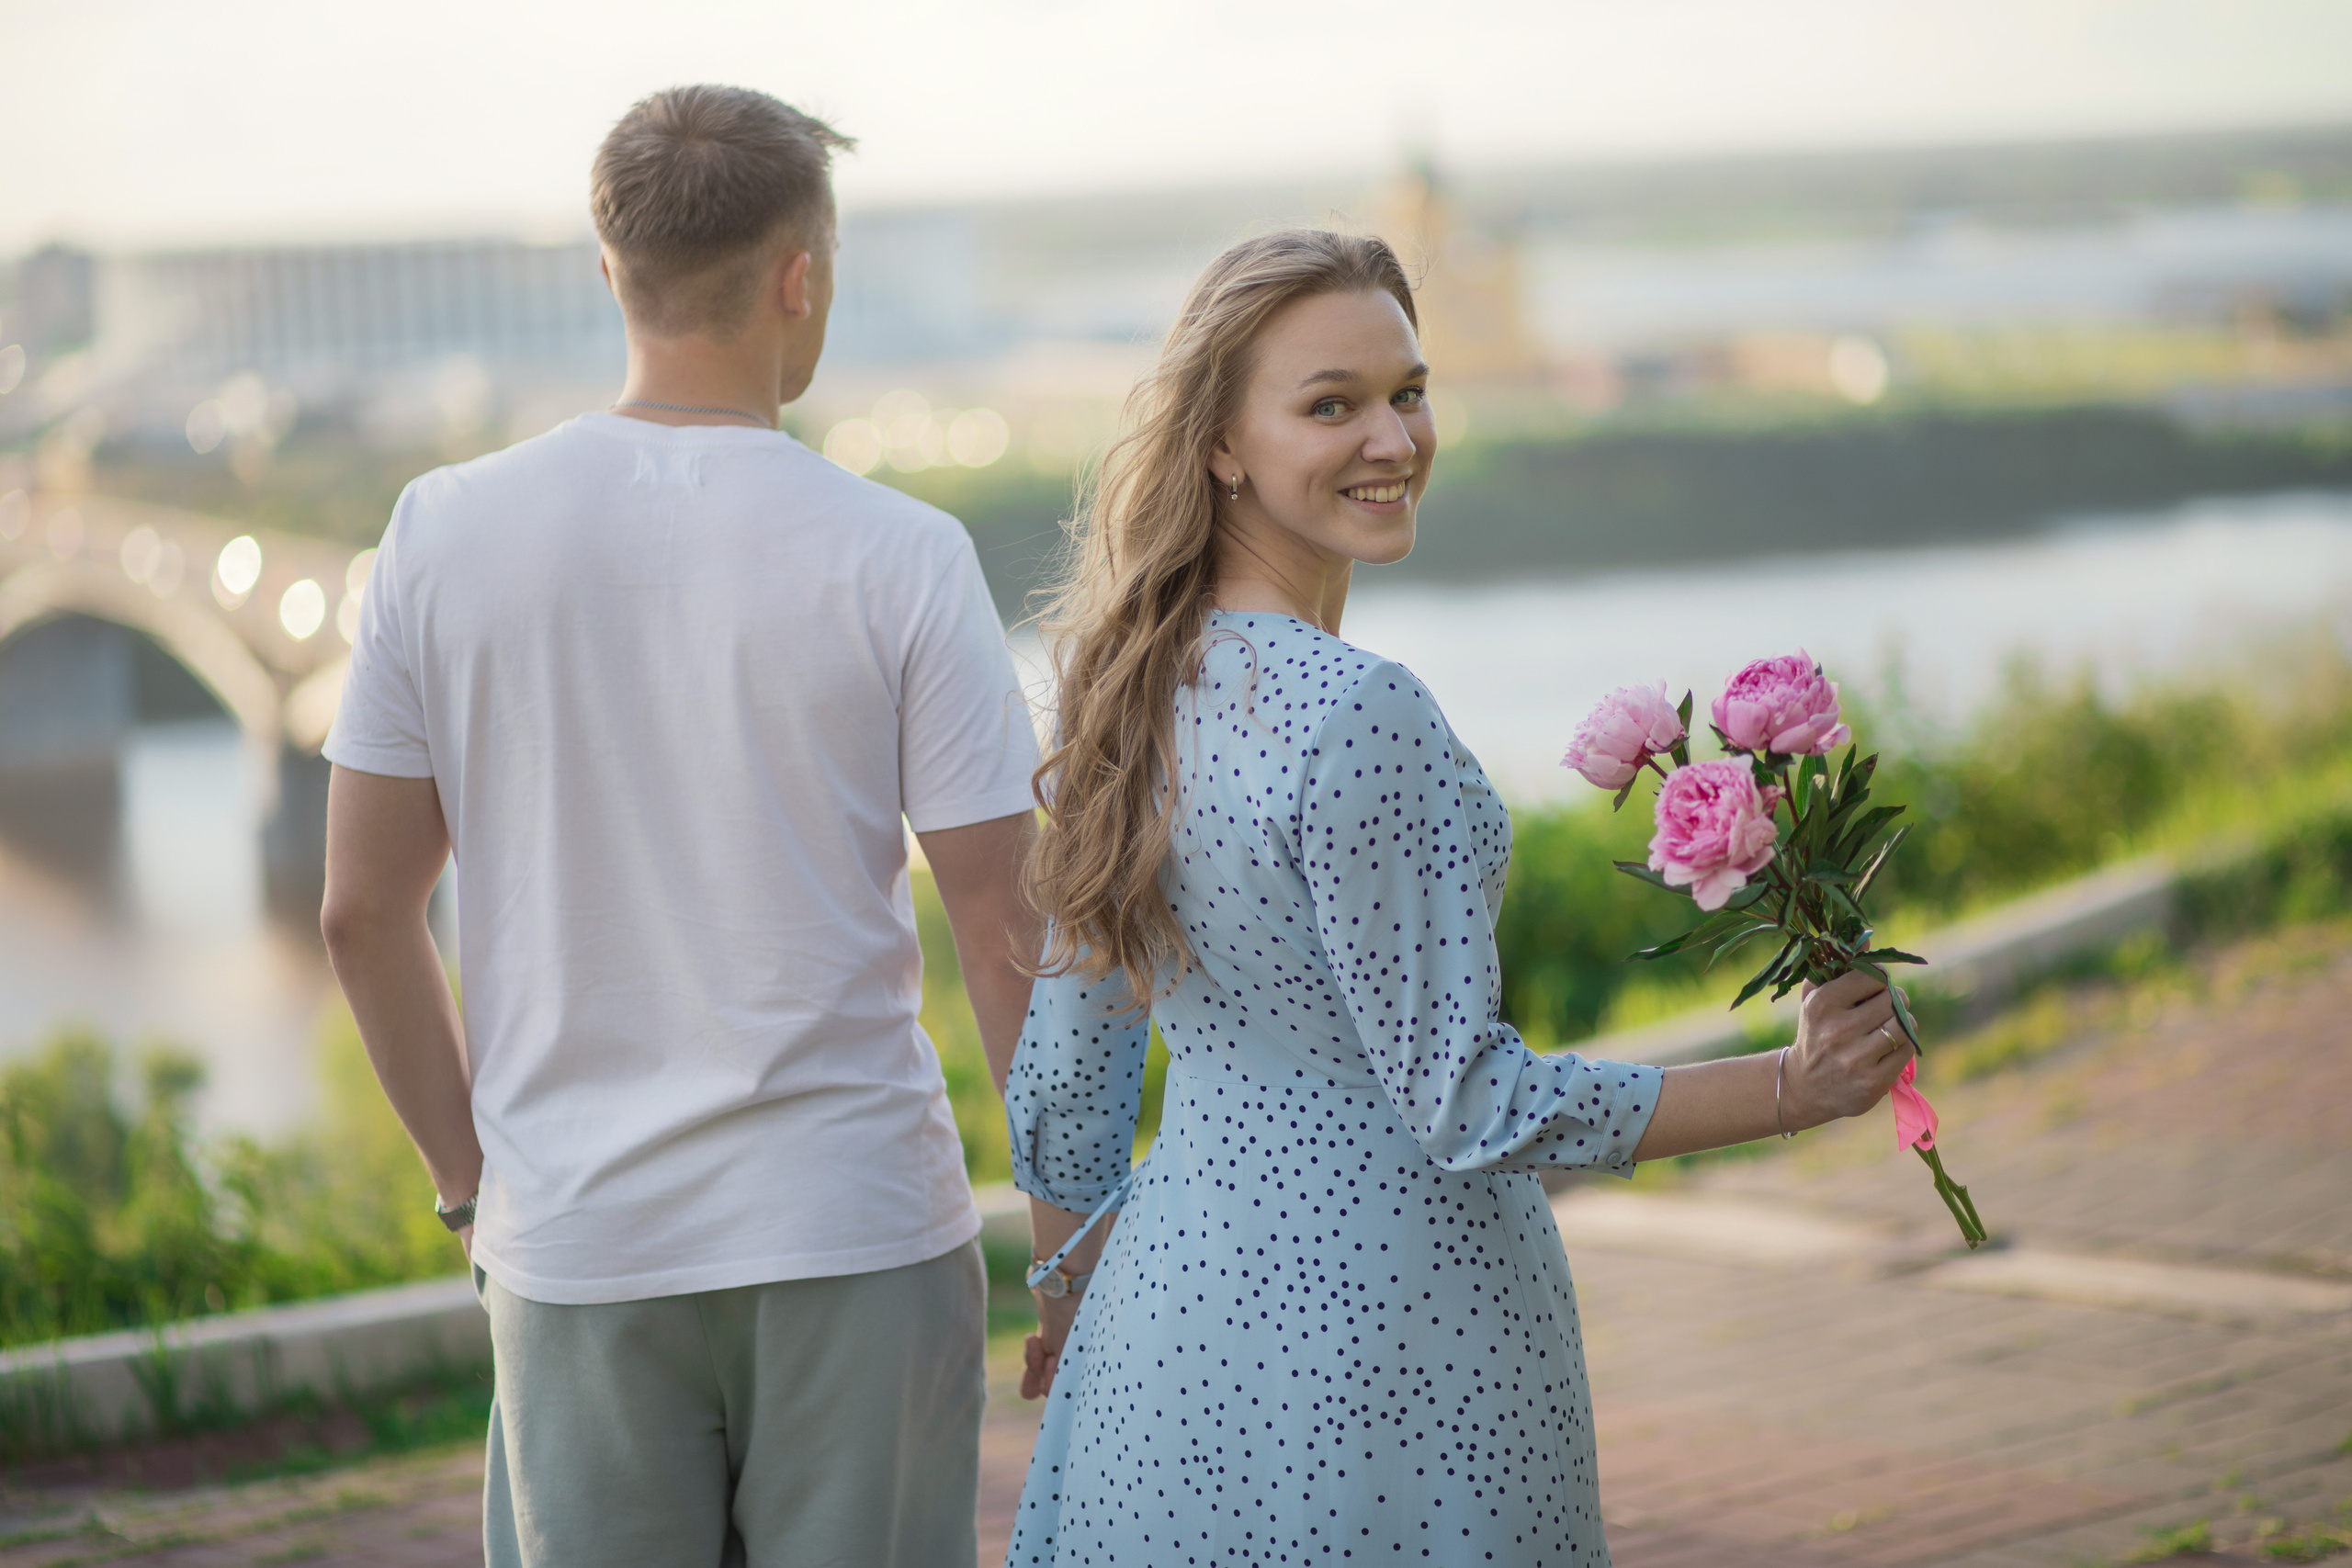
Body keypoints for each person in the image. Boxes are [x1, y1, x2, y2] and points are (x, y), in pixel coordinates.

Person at [1002, 229, 1917, 1566]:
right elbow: (1470, 1106)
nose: (1393, 437)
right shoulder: (1361, 714)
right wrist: (1792, 1088)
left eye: (1408, 393)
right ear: (1221, 444)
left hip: (1170, 1324)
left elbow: (1066, 1089)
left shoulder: (1127, 686)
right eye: (1333, 404)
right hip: (1396, 1335)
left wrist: (1075, 1304)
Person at [318, 85, 1040, 1568]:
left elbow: (360, 912)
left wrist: (474, 1187)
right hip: (855, 1230)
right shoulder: (904, 553)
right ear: (803, 278)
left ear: (611, 272)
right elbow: (1002, 915)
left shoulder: (439, 533)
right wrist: (1067, 1219)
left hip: (580, 1244)